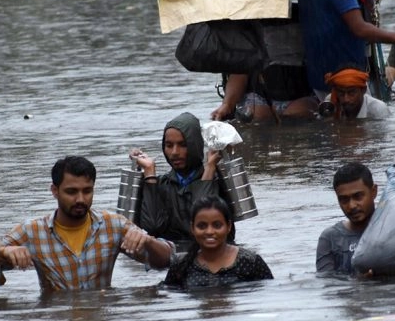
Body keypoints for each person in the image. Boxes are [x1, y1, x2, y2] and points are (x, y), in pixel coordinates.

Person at [0, 156, 174, 292]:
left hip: (99, 316)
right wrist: (2, 254)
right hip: (55, 318)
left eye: (87, 191)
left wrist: (147, 241)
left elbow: (167, 260)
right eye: (71, 192)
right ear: (54, 191)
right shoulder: (33, 231)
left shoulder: (112, 226)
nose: (81, 199)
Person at [130, 112, 234, 252]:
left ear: (195, 145)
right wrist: (149, 173)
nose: (174, 152)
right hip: (173, 260)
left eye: (182, 145)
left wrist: (209, 170)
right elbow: (152, 229)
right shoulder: (160, 184)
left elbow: (201, 227)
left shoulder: (217, 181)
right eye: (169, 145)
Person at [163, 196, 273, 288]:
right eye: (202, 226)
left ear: (228, 226)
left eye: (217, 225)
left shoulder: (250, 262)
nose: (210, 231)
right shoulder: (180, 265)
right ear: (192, 228)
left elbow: (268, 294)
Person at [210, 73, 319, 122]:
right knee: (257, 115)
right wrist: (227, 104)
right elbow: (240, 72)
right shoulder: (246, 33)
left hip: (300, 95)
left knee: (301, 112)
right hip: (257, 97)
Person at [321, 67, 390, 119]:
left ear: (363, 90)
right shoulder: (331, 101)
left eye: (351, 92)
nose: (346, 99)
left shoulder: (378, 109)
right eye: (341, 93)